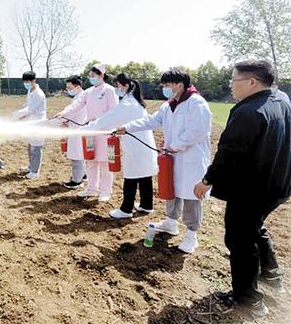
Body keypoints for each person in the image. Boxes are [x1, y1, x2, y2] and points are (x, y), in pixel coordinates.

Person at [194, 60, 291, 317]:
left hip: (251, 189)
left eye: (233, 80)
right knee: (254, 226)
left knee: (240, 239)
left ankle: (249, 300)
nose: (230, 85)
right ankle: (272, 274)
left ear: (252, 82)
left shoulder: (249, 112)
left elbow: (229, 154)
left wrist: (206, 181)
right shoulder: (281, 99)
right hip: (277, 184)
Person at [117, 69, 212, 254]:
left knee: (191, 196)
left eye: (167, 85)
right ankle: (171, 222)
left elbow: (197, 131)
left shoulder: (196, 103)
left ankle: (191, 234)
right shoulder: (169, 105)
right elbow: (151, 121)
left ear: (179, 85)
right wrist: (127, 127)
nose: (164, 88)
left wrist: (175, 145)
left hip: (191, 158)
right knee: (171, 189)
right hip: (173, 156)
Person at [82, 73, 158, 219]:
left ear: (126, 86)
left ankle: (126, 209)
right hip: (143, 146)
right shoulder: (135, 101)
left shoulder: (127, 104)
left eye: (117, 86)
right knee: (144, 175)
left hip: (136, 147)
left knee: (131, 177)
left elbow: (108, 119)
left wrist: (87, 129)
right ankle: (146, 205)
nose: (116, 89)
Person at [55, 64, 118, 201]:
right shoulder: (88, 92)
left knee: (105, 163)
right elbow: (76, 105)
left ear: (101, 75)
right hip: (90, 131)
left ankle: (105, 191)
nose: (91, 78)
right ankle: (91, 189)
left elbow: (114, 111)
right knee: (91, 160)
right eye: (90, 76)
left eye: (93, 76)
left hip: (106, 132)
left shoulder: (109, 90)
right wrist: (64, 113)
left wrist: (105, 124)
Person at [12, 71, 47, 179]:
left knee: (36, 147)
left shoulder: (39, 94)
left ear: (33, 81)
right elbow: (26, 105)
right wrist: (19, 114)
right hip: (30, 123)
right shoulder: (30, 91)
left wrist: (16, 115)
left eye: (28, 82)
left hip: (38, 124)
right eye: (24, 82)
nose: (26, 84)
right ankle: (31, 167)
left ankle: (35, 172)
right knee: (30, 146)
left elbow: (29, 109)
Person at [59, 75, 88, 188]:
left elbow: (72, 111)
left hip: (77, 129)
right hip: (76, 127)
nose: (68, 90)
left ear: (77, 87)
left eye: (70, 87)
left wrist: (62, 118)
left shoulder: (81, 97)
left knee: (77, 155)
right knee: (79, 154)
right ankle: (82, 175)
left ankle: (77, 181)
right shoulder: (78, 96)